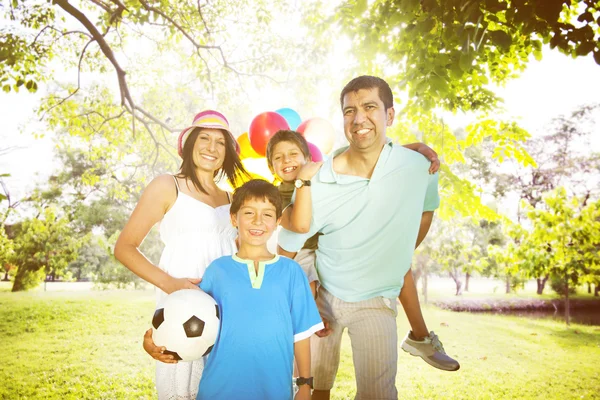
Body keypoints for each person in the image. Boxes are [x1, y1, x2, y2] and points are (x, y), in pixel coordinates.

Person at [277, 75, 460, 400]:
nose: (358, 118)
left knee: (379, 394)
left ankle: (420, 337)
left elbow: (426, 208)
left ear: (389, 115)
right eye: (350, 111)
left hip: (375, 302)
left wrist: (400, 248)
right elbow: (286, 250)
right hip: (322, 297)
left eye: (370, 107)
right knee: (311, 388)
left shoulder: (420, 167)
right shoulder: (318, 180)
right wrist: (299, 302)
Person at [114, 110, 249, 400]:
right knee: (182, 387)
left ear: (228, 153)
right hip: (181, 309)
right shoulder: (167, 185)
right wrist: (174, 287)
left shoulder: (232, 198)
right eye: (204, 138)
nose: (212, 148)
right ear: (189, 144)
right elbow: (124, 247)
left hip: (226, 307)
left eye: (220, 142)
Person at [265, 130, 440, 301]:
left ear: (309, 159)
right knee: (307, 287)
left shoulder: (321, 174)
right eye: (278, 158)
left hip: (336, 246)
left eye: (293, 154)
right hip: (305, 251)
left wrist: (416, 147)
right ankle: (313, 321)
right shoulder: (276, 196)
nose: (286, 160)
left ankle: (419, 331)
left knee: (395, 269)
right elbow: (300, 226)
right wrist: (303, 179)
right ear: (272, 168)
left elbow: (371, 159)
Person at [196, 179, 324, 400]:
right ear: (234, 218)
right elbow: (195, 323)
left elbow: (301, 334)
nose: (258, 221)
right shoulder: (217, 270)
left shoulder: (291, 271)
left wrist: (305, 384)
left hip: (273, 389)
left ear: (277, 221)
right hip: (218, 389)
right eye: (249, 213)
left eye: (267, 214)